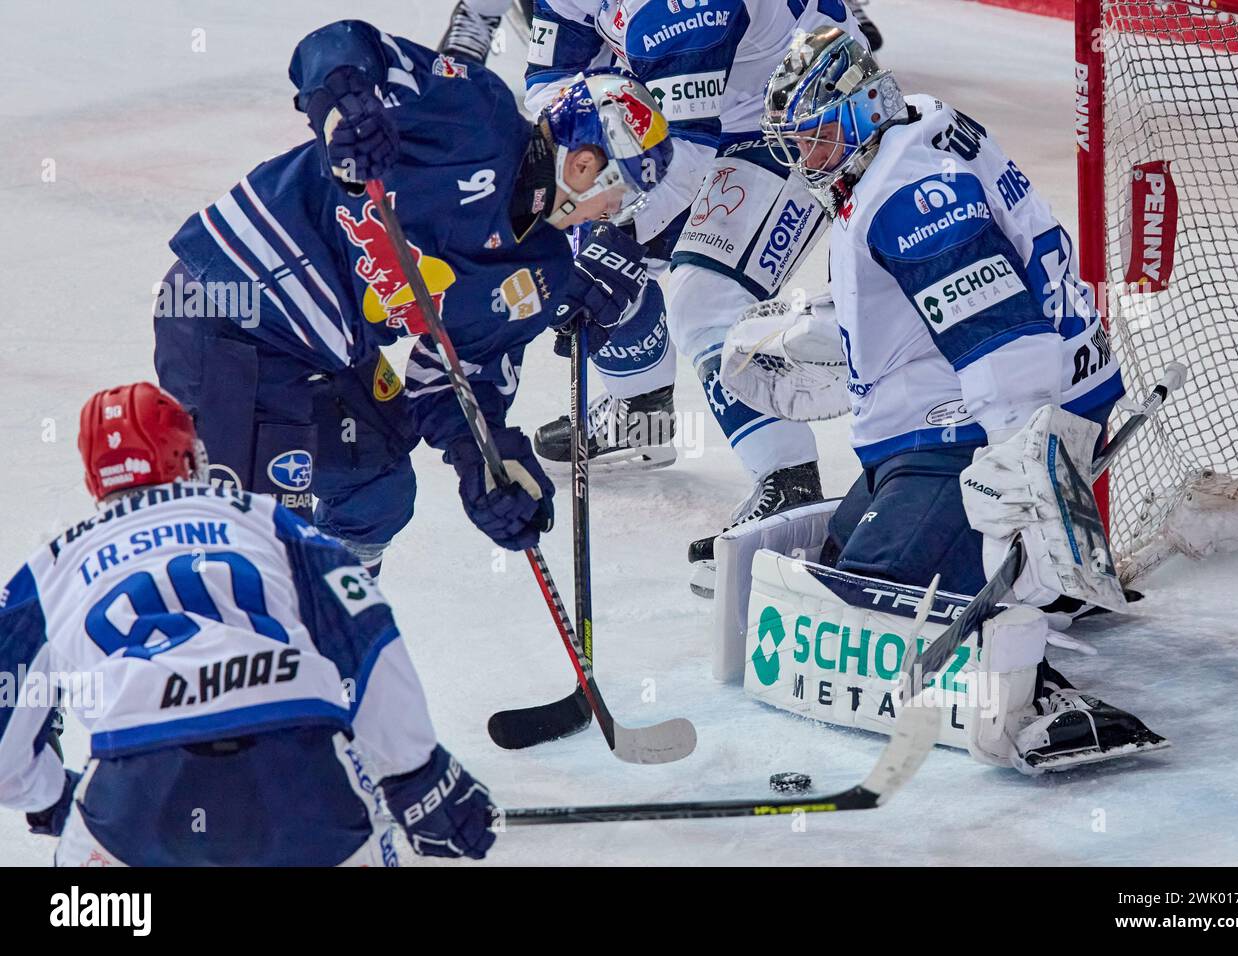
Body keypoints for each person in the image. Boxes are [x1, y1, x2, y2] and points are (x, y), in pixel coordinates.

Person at [742, 26, 1166, 771]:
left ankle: (1034, 684)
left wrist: (1023, 473)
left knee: (866, 603)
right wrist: (825, 333)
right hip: (949, 423)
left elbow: (1002, 338)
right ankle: (1029, 575)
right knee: (839, 561)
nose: (802, 158)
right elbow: (928, 301)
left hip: (984, 429)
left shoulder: (911, 195)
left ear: (862, 109)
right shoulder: (910, 131)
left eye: (812, 139)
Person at [153, 18, 671, 573]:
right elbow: (336, 46)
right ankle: (217, 634)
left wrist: (487, 465)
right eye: (620, 195)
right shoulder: (476, 112)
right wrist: (348, 105)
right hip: (230, 307)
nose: (612, 214)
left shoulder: (539, 271)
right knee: (249, 537)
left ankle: (334, 628)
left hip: (325, 350)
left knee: (377, 490)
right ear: (585, 164)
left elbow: (457, 379)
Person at [0, 383, 496, 865]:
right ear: (190, 457)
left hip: (136, 789)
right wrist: (417, 773)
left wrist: (52, 796)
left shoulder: (50, 566)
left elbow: (4, 757)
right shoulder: (264, 520)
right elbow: (365, 632)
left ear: (95, 480)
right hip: (299, 764)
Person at [520, 1, 887, 598]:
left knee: (704, 296)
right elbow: (546, 85)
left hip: (800, 125)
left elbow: (688, 158)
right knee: (582, 217)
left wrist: (619, 247)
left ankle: (787, 478)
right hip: (679, 119)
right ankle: (641, 412)